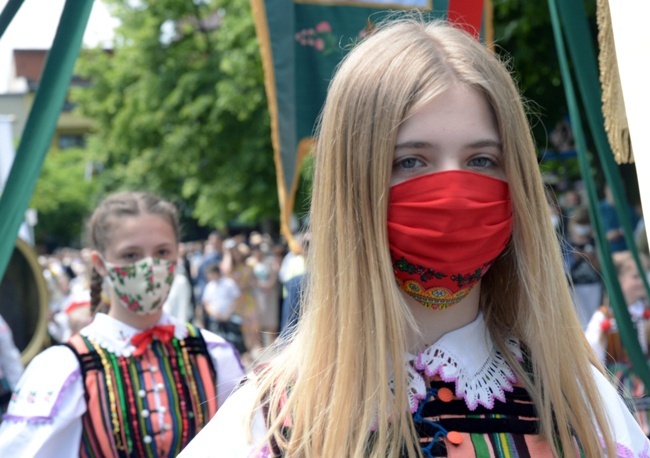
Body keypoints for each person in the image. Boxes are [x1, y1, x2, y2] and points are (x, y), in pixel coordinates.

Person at [180, 19, 648, 457]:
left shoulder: (579, 406)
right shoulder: (274, 419)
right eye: (410, 161)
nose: (454, 194)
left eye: (482, 160)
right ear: (354, 186)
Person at [0, 192, 244, 457]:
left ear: (177, 254)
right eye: (131, 255)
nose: (149, 267)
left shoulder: (212, 353)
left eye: (162, 252)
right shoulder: (67, 367)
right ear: (101, 264)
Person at [585, 250, 650, 435]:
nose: (642, 281)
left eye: (644, 274)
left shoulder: (646, 314)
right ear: (618, 280)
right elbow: (591, 358)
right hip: (621, 391)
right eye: (636, 276)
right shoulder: (604, 319)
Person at [202, 262, 246, 355]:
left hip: (230, 317)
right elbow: (206, 303)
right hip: (216, 319)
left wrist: (228, 313)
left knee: (235, 343)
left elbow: (237, 299)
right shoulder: (209, 286)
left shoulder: (228, 283)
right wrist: (214, 313)